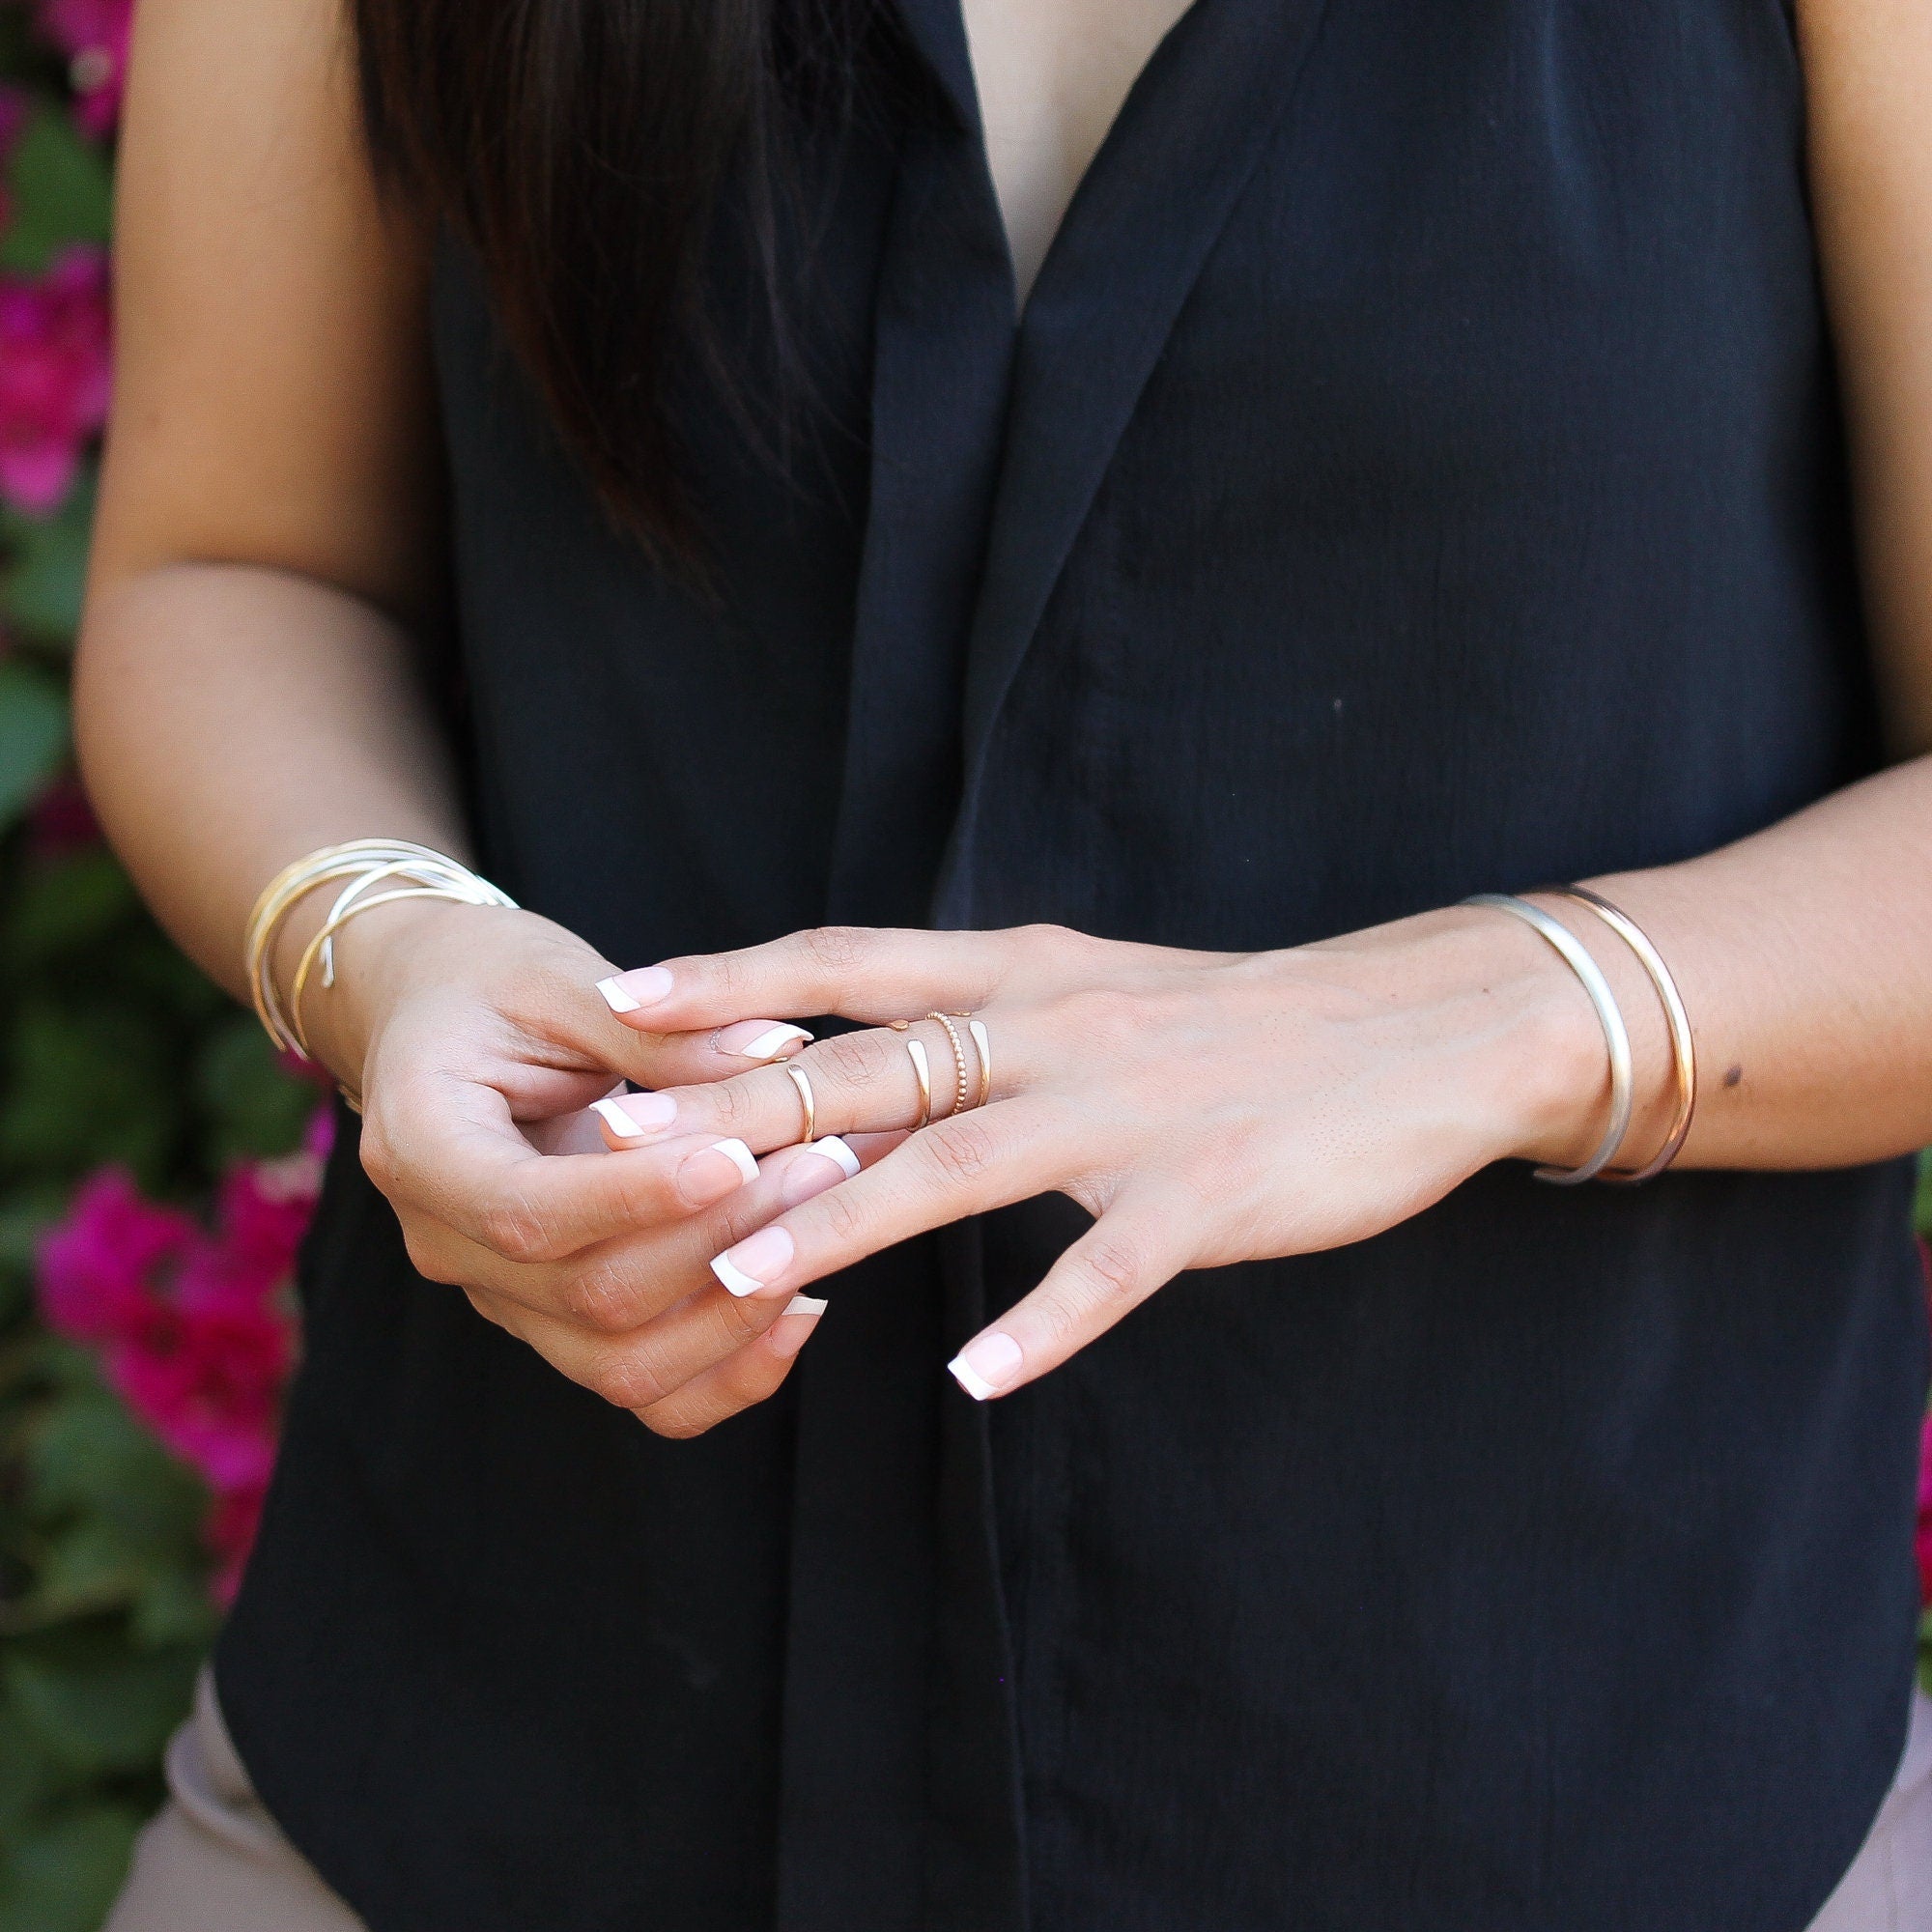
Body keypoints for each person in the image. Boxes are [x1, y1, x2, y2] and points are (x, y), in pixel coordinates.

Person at [77, 0, 1932, 1923]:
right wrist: (385, 941)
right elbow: (240, 566)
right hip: (482, 1770)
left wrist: (1507, 1016)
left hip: (1576, 1797)